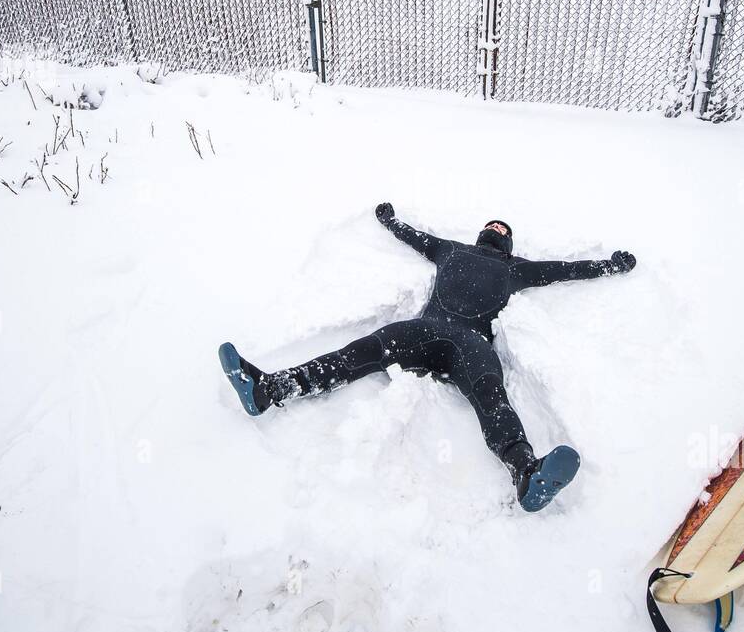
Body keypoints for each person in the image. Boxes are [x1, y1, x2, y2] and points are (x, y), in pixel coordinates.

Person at [218, 204, 636, 512]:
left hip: (471, 346)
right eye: (491, 223)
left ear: (507, 243)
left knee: (493, 397)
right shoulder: (451, 250)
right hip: (426, 330)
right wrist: (390, 221)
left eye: (501, 228)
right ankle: (270, 388)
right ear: (479, 235)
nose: (495, 227)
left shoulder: (517, 268)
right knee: (363, 350)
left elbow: (565, 269)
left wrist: (610, 266)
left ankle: (526, 471)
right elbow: (416, 238)